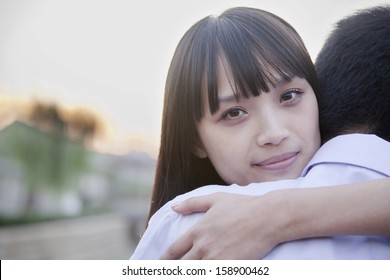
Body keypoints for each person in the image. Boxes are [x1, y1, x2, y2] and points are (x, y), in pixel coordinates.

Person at [131, 6, 390, 259]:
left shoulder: (176, 225)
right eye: (234, 113)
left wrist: (274, 215)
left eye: (290, 96)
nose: (274, 133)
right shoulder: (186, 227)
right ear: (194, 140)